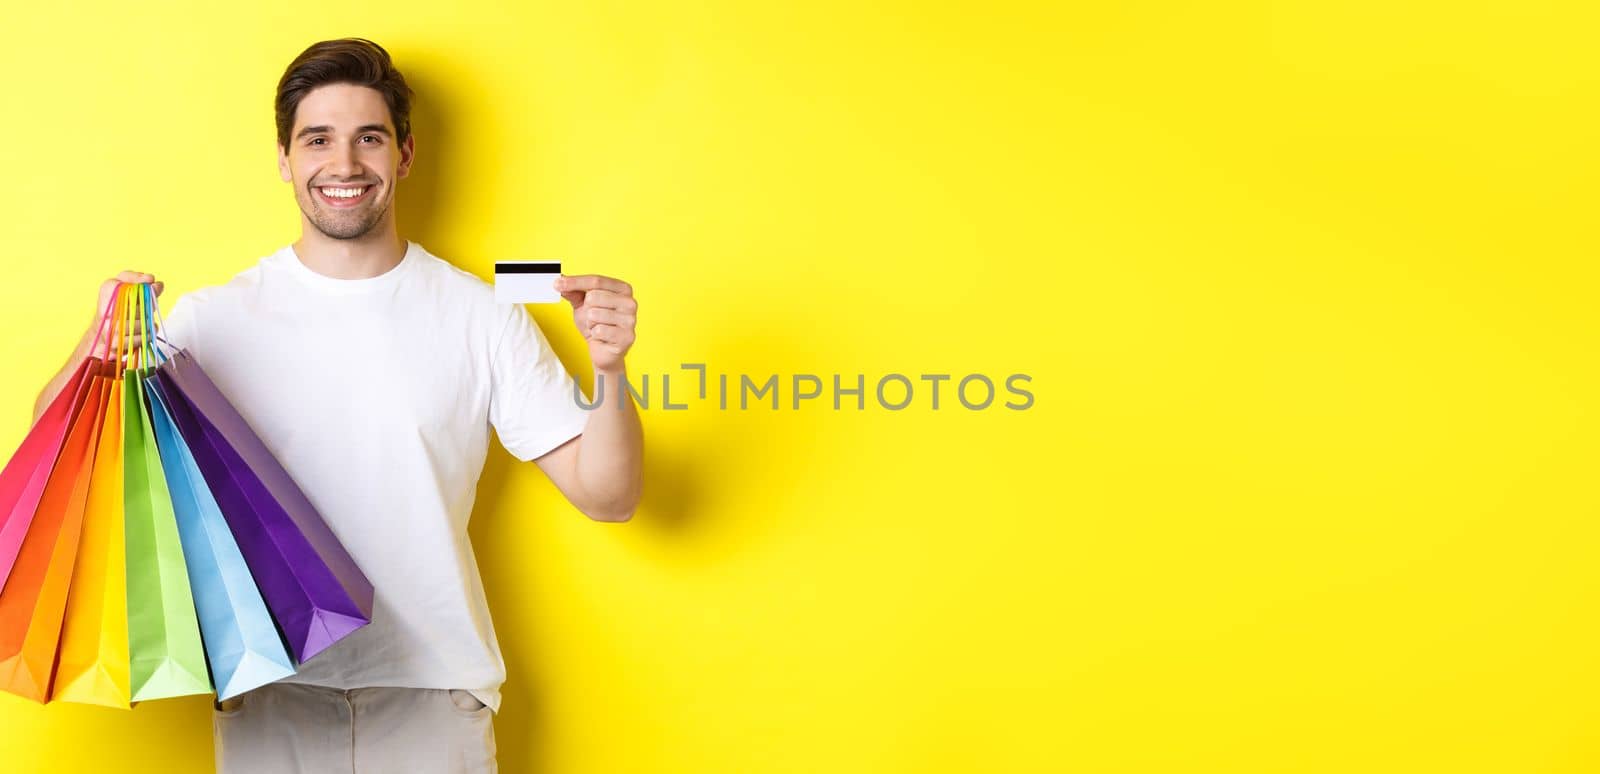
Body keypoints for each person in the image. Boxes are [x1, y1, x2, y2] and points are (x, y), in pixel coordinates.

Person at [29, 37, 644, 773]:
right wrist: (99, 341)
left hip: (433, 694)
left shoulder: (482, 316)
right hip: (268, 690)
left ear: (405, 156)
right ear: (286, 159)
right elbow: (58, 455)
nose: (344, 165)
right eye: (318, 139)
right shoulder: (210, 321)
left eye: (369, 139)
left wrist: (610, 370)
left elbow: (609, 495)